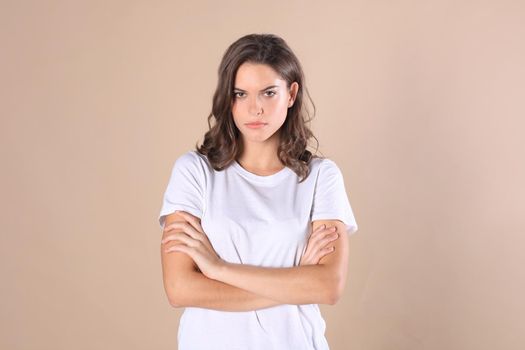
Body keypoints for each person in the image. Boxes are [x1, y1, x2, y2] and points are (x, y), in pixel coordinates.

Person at [158, 33, 358, 350]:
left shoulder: (322, 177)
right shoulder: (194, 172)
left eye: (268, 93)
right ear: (228, 98)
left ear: (291, 94)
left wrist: (217, 269)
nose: (255, 109)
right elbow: (180, 288)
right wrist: (297, 280)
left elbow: (329, 286)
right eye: (240, 94)